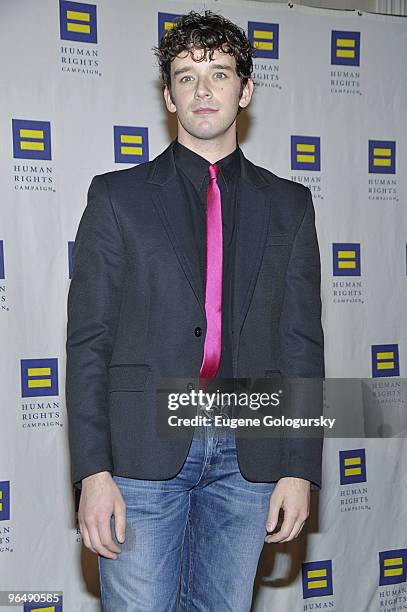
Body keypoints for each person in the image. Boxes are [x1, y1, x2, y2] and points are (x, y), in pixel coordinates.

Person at [65, 10, 325, 611]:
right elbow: (89, 345)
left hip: (248, 455)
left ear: (246, 89)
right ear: (168, 94)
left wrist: (299, 467)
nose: (203, 89)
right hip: (140, 454)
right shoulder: (116, 197)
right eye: (186, 76)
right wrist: (92, 473)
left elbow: (301, 345)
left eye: (219, 73)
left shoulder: (290, 206)